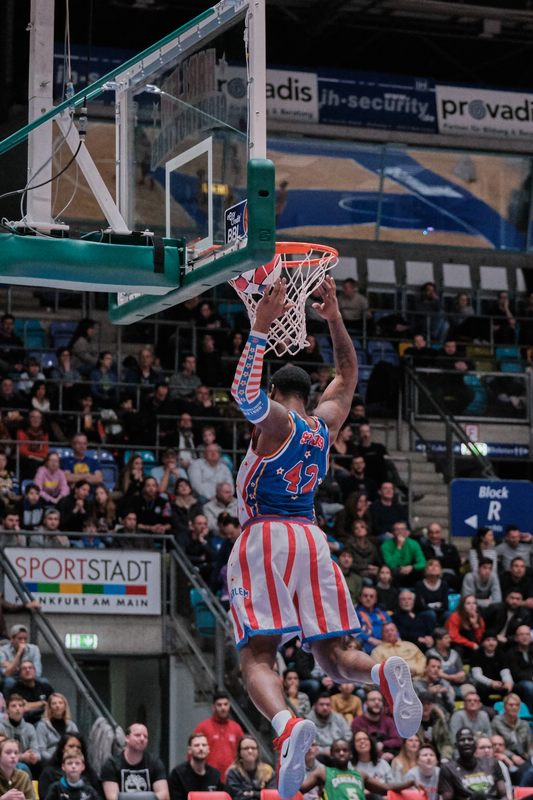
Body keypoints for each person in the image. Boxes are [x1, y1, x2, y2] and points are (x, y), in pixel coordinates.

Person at [226, 277, 421, 799]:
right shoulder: (322, 424)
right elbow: (350, 371)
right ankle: (383, 670)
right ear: (311, 395)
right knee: (333, 657)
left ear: (277, 394)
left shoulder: (275, 421)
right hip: (312, 539)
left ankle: (287, 727)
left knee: (257, 657)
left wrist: (260, 330)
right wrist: (332, 317)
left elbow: (242, 397)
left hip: (266, 535)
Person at [299, 738, 415, 800]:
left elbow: (386, 789)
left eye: (345, 750)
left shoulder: (360, 774)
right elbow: (301, 789)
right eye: (337, 751)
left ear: (350, 754)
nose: (341, 753)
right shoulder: (323, 772)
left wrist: (411, 783)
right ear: (332, 754)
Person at [100, 723, 168, 800]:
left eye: (145, 737)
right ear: (127, 738)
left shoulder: (155, 763)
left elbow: (164, 794)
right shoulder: (111, 764)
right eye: (137, 735)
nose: (142, 739)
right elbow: (112, 797)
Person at [438, 727, 507, 799]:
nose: (466, 742)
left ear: (475, 744)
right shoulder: (448, 769)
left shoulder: (492, 763)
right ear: (456, 745)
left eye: (470, 739)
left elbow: (503, 796)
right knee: (479, 795)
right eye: (462, 740)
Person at [193, 692, 244, 781]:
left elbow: (242, 753)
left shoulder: (236, 728)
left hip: (231, 778)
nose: (223, 708)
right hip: (208, 777)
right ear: (213, 707)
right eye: (219, 705)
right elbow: (193, 752)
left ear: (229, 706)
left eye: (225, 704)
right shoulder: (203, 727)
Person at [168, 733, 224, 800]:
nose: (201, 748)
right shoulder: (178, 774)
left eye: (204, 745)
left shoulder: (215, 774)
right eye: (196, 745)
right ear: (189, 750)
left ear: (208, 749)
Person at [351, 689, 402, 761]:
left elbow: (397, 740)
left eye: (379, 700)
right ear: (366, 703)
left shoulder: (388, 721)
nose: (377, 702)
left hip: (389, 757)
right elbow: (359, 745)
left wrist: (383, 744)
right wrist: (381, 755)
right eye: (373, 700)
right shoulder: (357, 722)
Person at [225, 735, 275, 800]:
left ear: (258, 751)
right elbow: (237, 797)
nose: (250, 751)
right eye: (246, 748)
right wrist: (260, 795)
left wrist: (252, 793)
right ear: (239, 752)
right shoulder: (233, 772)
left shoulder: (268, 771)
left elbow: (272, 796)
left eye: (253, 748)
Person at [0, 695, 40, 773]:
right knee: (22, 767)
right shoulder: (1, 727)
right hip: (6, 762)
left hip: (27, 761)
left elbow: (36, 751)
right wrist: (22, 757)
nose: (17, 708)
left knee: (40, 765)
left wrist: (34, 756)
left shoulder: (30, 728)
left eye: (20, 706)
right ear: (7, 710)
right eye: (13, 706)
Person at [35, 694, 78, 763]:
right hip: (50, 761)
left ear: (65, 706)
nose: (57, 706)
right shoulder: (42, 725)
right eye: (54, 703)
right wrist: (55, 759)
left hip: (70, 761)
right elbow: (41, 750)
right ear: (49, 707)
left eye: (60, 703)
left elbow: (77, 746)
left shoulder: (72, 725)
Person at [11, 659, 53, 725]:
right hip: (25, 723)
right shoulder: (15, 689)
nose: (27, 670)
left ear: (35, 671)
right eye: (24, 669)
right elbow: (22, 708)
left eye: (30, 668)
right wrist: (42, 703)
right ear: (20, 674)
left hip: (45, 720)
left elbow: (52, 705)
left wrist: (30, 705)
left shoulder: (45, 687)